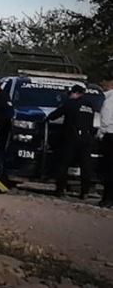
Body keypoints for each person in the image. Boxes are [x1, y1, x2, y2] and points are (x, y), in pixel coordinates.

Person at [46, 85, 95, 198]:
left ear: (75, 93)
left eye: (71, 93)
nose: (70, 95)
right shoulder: (90, 106)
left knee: (63, 164)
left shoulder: (70, 103)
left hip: (71, 139)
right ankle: (85, 192)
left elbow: (54, 115)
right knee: (86, 167)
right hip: (86, 139)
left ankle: (60, 190)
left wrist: (47, 118)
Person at [98, 77, 113, 207]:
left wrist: (101, 133)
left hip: (110, 135)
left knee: (109, 168)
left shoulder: (109, 99)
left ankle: (107, 199)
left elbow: (105, 118)